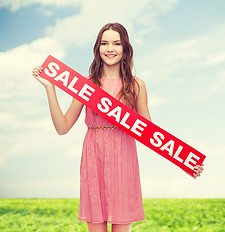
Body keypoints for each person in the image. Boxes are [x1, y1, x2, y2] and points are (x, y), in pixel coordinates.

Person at [32, 22, 204, 232]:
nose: (110, 48)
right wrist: (50, 88)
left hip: (123, 159)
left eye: (116, 43)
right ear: (98, 48)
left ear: (125, 49)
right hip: (93, 158)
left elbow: (150, 134)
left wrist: (185, 162)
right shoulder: (86, 84)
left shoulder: (136, 85)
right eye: (104, 43)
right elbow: (63, 127)